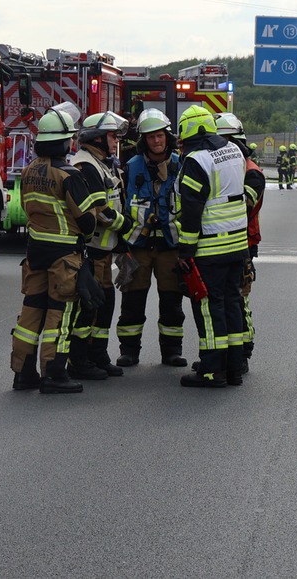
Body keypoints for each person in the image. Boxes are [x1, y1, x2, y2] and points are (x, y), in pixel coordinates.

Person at [9, 105, 102, 394]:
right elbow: (87, 221)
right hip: (64, 257)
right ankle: (53, 373)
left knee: (30, 313)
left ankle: (23, 373)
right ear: (63, 142)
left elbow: (26, 209)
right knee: (59, 315)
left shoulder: (27, 171)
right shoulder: (69, 175)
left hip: (35, 252)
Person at [174, 104, 249, 388]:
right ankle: (233, 367)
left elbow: (191, 210)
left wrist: (185, 251)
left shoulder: (196, 160)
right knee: (232, 303)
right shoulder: (234, 151)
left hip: (210, 248)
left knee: (208, 307)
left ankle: (211, 370)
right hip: (236, 245)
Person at [116, 108, 188, 368]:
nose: (156, 141)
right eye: (150, 137)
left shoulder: (182, 166)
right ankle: (129, 351)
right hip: (137, 247)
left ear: (167, 137)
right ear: (143, 141)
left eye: (159, 136)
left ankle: (171, 351)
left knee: (171, 301)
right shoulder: (130, 168)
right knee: (132, 301)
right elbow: (120, 206)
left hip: (171, 247)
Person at [67, 110, 130, 380]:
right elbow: (100, 212)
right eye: (112, 136)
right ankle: (79, 361)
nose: (116, 141)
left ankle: (99, 356)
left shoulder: (104, 162)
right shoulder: (86, 166)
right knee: (88, 306)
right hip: (90, 251)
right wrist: (124, 225)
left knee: (104, 304)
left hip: (105, 251)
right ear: (97, 138)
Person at [214, 112, 264, 373]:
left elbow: (242, 208)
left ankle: (242, 352)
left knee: (238, 300)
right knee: (222, 300)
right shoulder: (233, 167)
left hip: (241, 244)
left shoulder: (251, 173)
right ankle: (226, 354)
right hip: (222, 244)